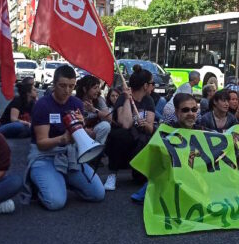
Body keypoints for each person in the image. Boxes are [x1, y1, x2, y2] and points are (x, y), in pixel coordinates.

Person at [26, 65, 105, 210]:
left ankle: (61, 180)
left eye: (71, 86)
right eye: (62, 86)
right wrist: (62, 139)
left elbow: (77, 138)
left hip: (69, 155)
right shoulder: (42, 105)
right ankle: (40, 185)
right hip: (45, 156)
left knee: (98, 194)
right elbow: (41, 143)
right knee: (56, 203)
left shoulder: (76, 103)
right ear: (54, 84)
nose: (67, 90)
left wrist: (81, 126)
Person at [104, 69, 157, 191]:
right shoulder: (123, 98)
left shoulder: (149, 100)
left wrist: (145, 124)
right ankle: (113, 173)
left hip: (141, 140)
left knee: (140, 180)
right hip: (123, 140)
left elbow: (150, 128)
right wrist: (128, 99)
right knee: (121, 135)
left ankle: (140, 171)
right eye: (152, 83)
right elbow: (126, 124)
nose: (153, 86)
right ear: (145, 85)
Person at [75, 75, 111, 145]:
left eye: (98, 87)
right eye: (95, 88)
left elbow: (109, 118)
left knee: (106, 125)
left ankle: (97, 149)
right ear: (85, 89)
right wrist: (85, 130)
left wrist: (94, 109)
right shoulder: (76, 101)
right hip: (80, 132)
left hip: (95, 132)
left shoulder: (99, 99)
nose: (98, 90)